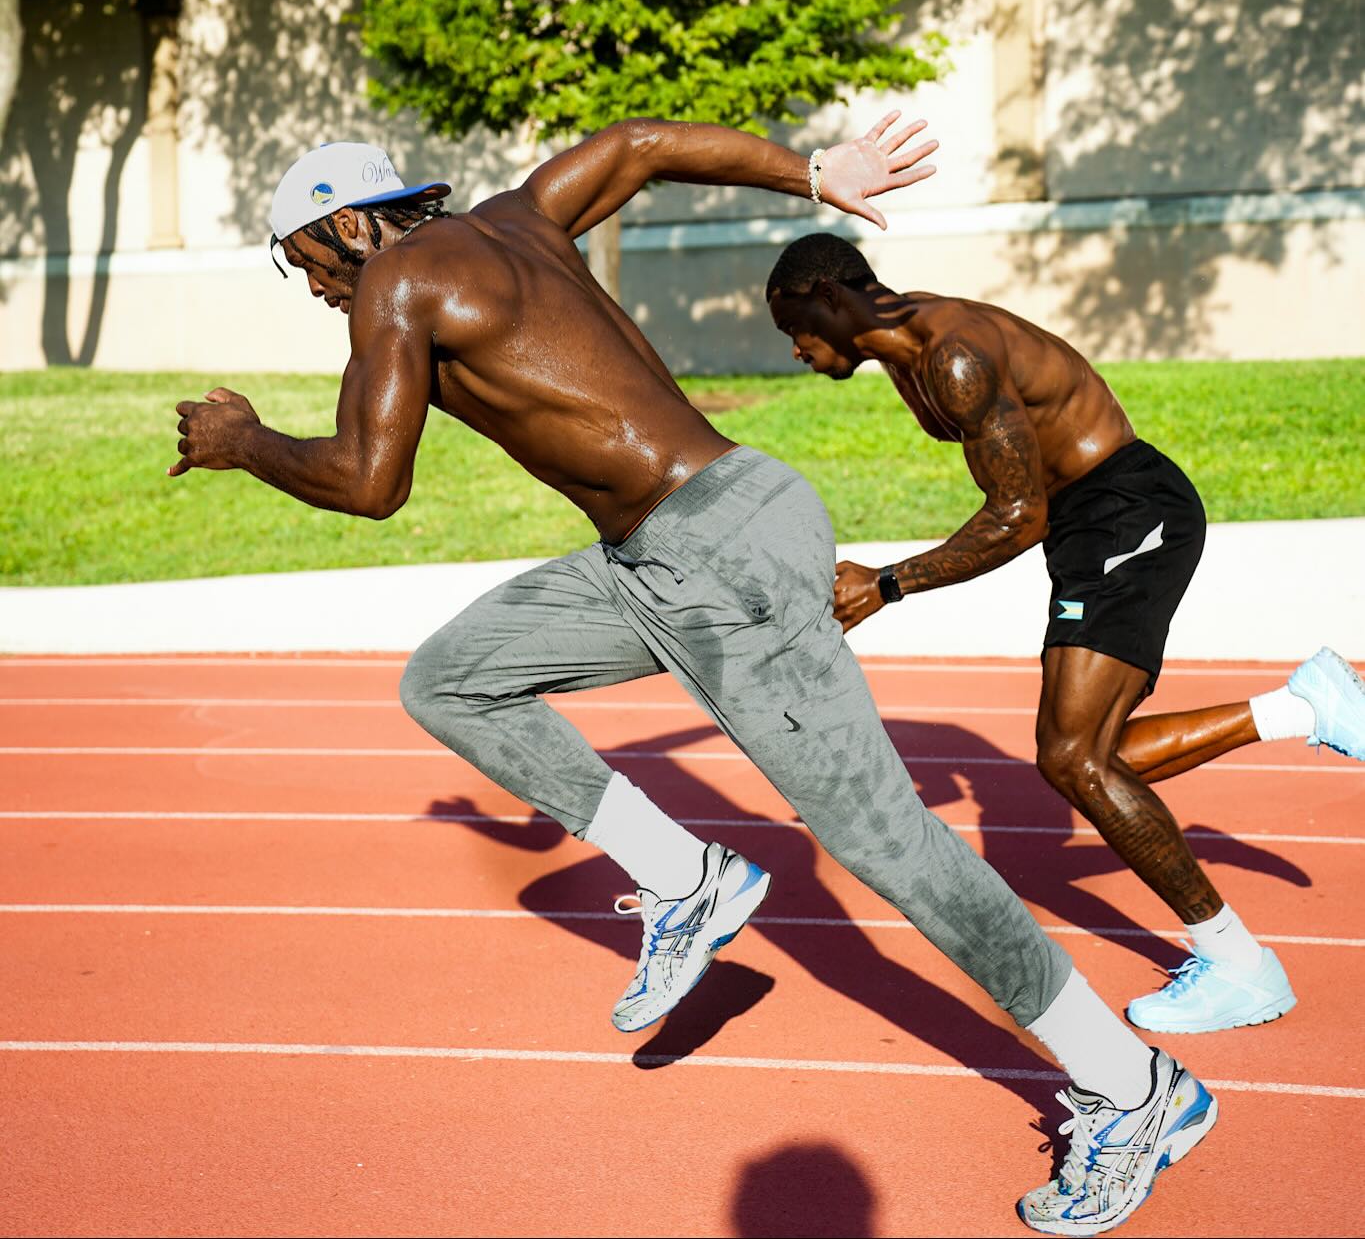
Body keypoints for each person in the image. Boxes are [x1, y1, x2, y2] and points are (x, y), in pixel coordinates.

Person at [171, 116, 1216, 1235]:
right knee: (452, 677)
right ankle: (688, 878)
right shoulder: (520, 217)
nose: (318, 288)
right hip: (674, 545)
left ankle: (1132, 1085)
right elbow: (636, 145)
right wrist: (813, 172)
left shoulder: (393, 284)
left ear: (342, 226)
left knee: (895, 850)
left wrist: (246, 441)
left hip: (711, 558)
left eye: (308, 261)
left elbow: (371, 480)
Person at [765, 230, 1365, 1038]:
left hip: (1125, 510)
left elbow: (1016, 516)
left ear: (832, 299)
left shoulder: (953, 356)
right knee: (1089, 757)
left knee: (1072, 758)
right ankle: (1300, 709)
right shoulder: (912, 351)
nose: (795, 351)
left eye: (794, 327)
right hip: (1094, 521)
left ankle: (1240, 966)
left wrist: (887, 584)